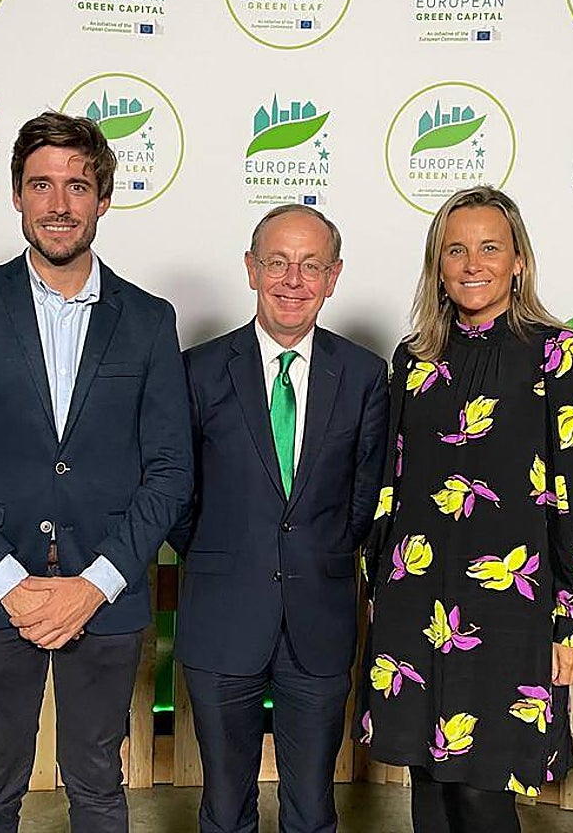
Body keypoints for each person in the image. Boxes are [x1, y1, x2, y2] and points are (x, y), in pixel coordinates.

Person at [0, 111, 193, 833]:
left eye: (77, 185)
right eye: (41, 184)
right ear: (16, 196)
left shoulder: (150, 320)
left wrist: (94, 586)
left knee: (98, 781)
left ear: (104, 199)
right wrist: (10, 585)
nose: (59, 203)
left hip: (106, 593)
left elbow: (169, 472)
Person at [360, 186, 573, 833]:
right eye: (456, 250)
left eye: (490, 248)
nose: (473, 264)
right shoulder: (414, 359)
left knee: (480, 794)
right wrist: (379, 589)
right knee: (430, 789)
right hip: (415, 605)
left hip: (509, 616)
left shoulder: (560, 354)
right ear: (437, 266)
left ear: (518, 260)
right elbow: (391, 485)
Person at [170, 204, 389, 833]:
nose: (292, 280)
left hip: (319, 623)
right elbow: (178, 498)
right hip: (222, 616)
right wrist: (224, 555)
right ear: (250, 269)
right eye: (277, 262)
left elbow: (364, 498)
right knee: (224, 805)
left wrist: (315, 558)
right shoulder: (200, 371)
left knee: (313, 808)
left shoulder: (365, 375)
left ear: (333, 277)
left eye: (311, 266)